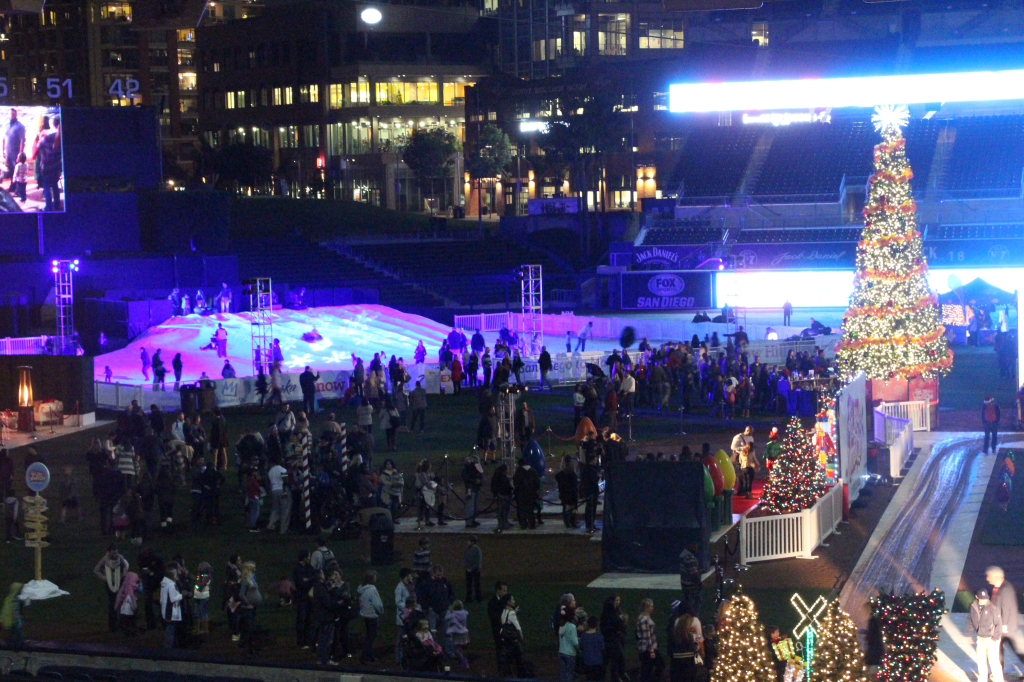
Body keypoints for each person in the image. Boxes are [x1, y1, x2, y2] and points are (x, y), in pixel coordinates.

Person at [987, 566, 1024, 668]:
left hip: (1006, 627)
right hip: (1004, 626)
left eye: (989, 576)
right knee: (1004, 650)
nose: (987, 579)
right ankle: (998, 674)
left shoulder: (1005, 588)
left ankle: (998, 674)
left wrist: (1004, 625)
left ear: (996, 576)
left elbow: (1006, 608)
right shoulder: (1000, 587)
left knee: (1002, 650)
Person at [968, 588, 1004, 682]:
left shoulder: (993, 607)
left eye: (985, 598)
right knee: (981, 661)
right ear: (977, 597)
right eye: (982, 598)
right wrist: (967, 634)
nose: (984, 600)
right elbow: (971, 621)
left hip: (992, 638)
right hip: (981, 638)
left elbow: (998, 624)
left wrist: (995, 638)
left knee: (993, 661)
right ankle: (982, 680)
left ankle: (998, 680)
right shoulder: (973, 607)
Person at [95, 544, 130, 633]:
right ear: (109, 552)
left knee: (120, 603)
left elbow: (126, 566)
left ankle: (121, 624)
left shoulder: (120, 557)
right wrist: (105, 578)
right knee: (112, 603)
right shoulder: (105, 560)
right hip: (109, 584)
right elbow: (96, 570)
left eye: (116, 553)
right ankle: (112, 625)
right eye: (113, 553)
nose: (115, 555)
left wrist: (123, 575)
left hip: (119, 582)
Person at [357, 570, 384, 663]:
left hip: (365, 615)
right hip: (372, 615)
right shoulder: (372, 589)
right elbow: (377, 604)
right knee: (371, 637)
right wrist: (381, 611)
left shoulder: (361, 588)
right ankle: (365, 656)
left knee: (369, 635)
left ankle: (369, 655)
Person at [602, 594, 629, 682]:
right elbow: (608, 625)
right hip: (611, 639)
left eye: (619, 600)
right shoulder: (608, 612)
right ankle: (620, 675)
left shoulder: (617, 610)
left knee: (615, 660)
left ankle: (616, 677)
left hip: (618, 638)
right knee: (618, 657)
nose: (618, 602)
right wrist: (619, 620)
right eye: (616, 600)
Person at [499, 594, 527, 677]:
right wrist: (521, 637)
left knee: (507, 660)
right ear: (508, 602)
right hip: (513, 641)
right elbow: (518, 628)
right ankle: (521, 676)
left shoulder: (504, 611)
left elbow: (505, 622)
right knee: (520, 659)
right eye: (512, 600)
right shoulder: (511, 613)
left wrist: (514, 612)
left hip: (505, 639)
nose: (514, 601)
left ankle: (507, 675)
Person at [294, 550, 317, 648]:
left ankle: (309, 640)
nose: (310, 558)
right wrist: (309, 580)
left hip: (309, 598)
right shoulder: (297, 568)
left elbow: (314, 577)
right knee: (301, 619)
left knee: (310, 619)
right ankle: (301, 641)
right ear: (304, 558)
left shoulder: (309, 567)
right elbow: (301, 583)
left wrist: (308, 579)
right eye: (308, 556)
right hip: (302, 598)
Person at [637, 598, 664, 682]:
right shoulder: (644, 619)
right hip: (648, 648)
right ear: (646, 607)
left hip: (648, 647)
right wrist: (651, 650)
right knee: (650, 668)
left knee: (648, 669)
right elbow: (646, 636)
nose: (652, 608)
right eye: (650, 607)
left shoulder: (643, 617)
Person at [160, 564, 183, 649]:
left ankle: (167, 648)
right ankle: (168, 650)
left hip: (165, 611)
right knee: (170, 632)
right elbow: (173, 599)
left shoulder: (164, 584)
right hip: (171, 612)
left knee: (168, 631)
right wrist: (181, 595)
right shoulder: (171, 585)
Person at [559, 602, 581, 682]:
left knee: (563, 675)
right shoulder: (572, 626)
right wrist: (579, 650)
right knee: (569, 675)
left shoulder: (561, 625)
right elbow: (574, 642)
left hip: (561, 652)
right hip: (570, 654)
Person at [114, 571, 141, 638]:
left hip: (123, 611)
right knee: (131, 623)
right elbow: (132, 600)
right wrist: (135, 608)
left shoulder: (124, 587)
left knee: (125, 624)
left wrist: (116, 607)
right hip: (130, 611)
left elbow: (119, 598)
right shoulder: (131, 590)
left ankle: (126, 633)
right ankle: (131, 634)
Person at [3, 109, 26, 186]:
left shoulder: (20, 126)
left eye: (13, 114)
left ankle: (17, 188)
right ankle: (12, 186)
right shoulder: (5, 125)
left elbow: (22, 141)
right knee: (10, 170)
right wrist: (3, 151)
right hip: (8, 153)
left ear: (16, 115)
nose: (11, 115)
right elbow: (3, 138)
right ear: (8, 115)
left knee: (16, 171)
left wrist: (20, 154)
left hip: (16, 153)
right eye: (10, 114)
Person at [556, 455, 579, 529]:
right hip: (570, 492)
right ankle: (571, 521)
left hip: (566, 492)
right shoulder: (569, 472)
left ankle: (568, 522)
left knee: (568, 508)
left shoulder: (564, 472)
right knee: (570, 508)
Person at [446, 600, 471, 668]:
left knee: (455, 649)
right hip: (464, 632)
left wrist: (449, 610)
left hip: (458, 633)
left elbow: (447, 618)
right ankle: (463, 660)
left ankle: (464, 661)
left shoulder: (454, 615)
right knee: (459, 647)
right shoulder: (463, 613)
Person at [580, 615, 606, 681]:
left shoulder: (584, 636)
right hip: (598, 663)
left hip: (587, 663)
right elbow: (602, 649)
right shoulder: (599, 636)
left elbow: (581, 647)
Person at [581, 453, 602, 533]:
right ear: (592, 460)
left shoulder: (587, 469)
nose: (596, 461)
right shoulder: (591, 470)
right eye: (595, 459)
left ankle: (590, 524)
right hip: (592, 492)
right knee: (591, 509)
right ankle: (590, 525)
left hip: (590, 492)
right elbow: (594, 481)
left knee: (590, 509)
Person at [1, 582, 25, 648]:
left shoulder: (13, 599)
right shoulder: (12, 600)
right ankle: (16, 644)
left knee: (15, 633)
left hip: (15, 620)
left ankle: (13, 643)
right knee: (17, 633)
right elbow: (6, 611)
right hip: (13, 620)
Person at [491, 462, 513, 532]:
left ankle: (504, 523)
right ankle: (502, 524)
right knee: (503, 511)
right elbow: (505, 486)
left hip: (501, 495)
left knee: (503, 510)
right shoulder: (502, 477)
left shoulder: (498, 476)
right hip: (503, 495)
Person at [463, 535, 483, 603]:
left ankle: (478, 598)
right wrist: (466, 567)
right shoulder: (467, 549)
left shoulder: (477, 549)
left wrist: (472, 568)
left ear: (473, 542)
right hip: (468, 570)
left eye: (469, 541)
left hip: (475, 570)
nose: (467, 542)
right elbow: (465, 559)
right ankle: (468, 598)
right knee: (468, 585)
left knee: (476, 585)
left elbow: (478, 561)